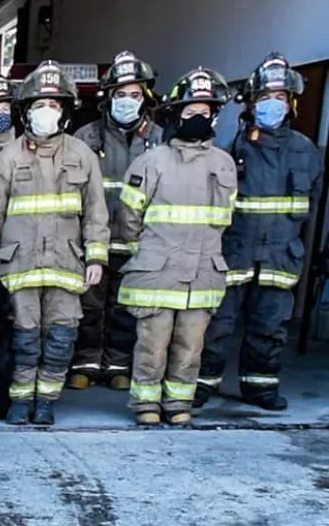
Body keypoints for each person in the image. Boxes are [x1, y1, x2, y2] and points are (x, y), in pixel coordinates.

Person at [0, 60, 109, 426]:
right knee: (24, 338)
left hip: (66, 266)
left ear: (65, 111)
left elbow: (95, 212)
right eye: (39, 105)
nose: (46, 112)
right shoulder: (9, 157)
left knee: (61, 338)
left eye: (53, 105)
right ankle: (20, 401)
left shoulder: (82, 155)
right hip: (19, 267)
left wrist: (96, 257)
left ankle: (46, 401)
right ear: (26, 111)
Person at [198, 54, 322, 411]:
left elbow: (310, 207)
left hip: (281, 256)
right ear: (251, 104)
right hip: (235, 251)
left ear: (291, 103)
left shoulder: (305, 150)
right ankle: (203, 383)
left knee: (270, 325)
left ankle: (260, 387)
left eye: (280, 97)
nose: (273, 105)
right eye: (266, 98)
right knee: (218, 323)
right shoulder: (233, 149)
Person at [117, 67, 236, 425]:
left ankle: (178, 404)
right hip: (157, 271)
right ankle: (146, 405)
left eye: (204, 112)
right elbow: (129, 218)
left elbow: (226, 218)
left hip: (202, 274)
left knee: (190, 347)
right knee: (152, 345)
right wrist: (149, 250)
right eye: (190, 112)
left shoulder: (224, 164)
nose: (197, 118)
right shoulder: (151, 161)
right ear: (175, 116)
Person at [69, 51, 164, 392]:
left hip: (138, 243)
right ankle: (85, 364)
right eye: (120, 94)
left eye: (135, 94)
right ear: (108, 96)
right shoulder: (85, 138)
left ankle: (118, 366)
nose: (127, 101)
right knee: (89, 307)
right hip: (93, 243)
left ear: (146, 97)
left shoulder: (159, 140)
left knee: (125, 309)